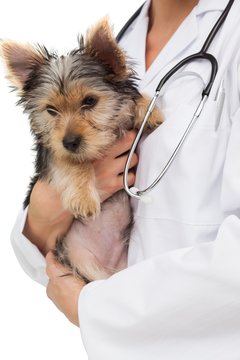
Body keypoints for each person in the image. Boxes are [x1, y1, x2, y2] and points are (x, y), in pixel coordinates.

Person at [11, 0, 240, 358]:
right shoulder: (120, 40)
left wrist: (94, 307)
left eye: (88, 103)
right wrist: (42, 213)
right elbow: (42, 256)